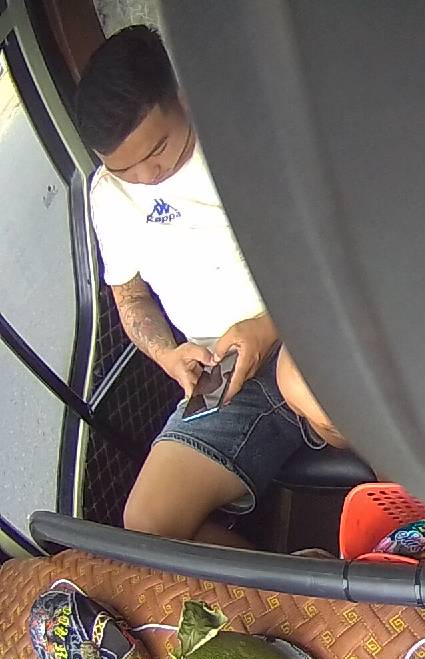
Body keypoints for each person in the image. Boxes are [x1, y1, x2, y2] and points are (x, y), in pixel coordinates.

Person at [75, 26, 324, 547]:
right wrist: (167, 354)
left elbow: (328, 253)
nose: (147, 175)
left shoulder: (245, 140)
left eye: (158, 149)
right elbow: (130, 297)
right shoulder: (107, 196)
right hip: (222, 371)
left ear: (182, 97)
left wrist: (267, 326)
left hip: (305, 328)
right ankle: (307, 582)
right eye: (123, 168)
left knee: (305, 387)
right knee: (147, 526)